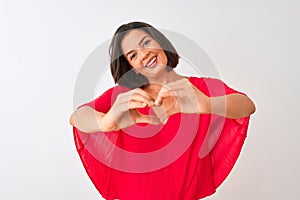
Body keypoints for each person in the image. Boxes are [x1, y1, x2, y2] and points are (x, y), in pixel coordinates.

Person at [69, 21, 256, 200]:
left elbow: (247, 105)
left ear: (161, 42)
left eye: (146, 43)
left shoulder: (198, 89)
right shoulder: (126, 97)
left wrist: (207, 104)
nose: (143, 54)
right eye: (133, 55)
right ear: (130, 67)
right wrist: (106, 122)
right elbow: (77, 117)